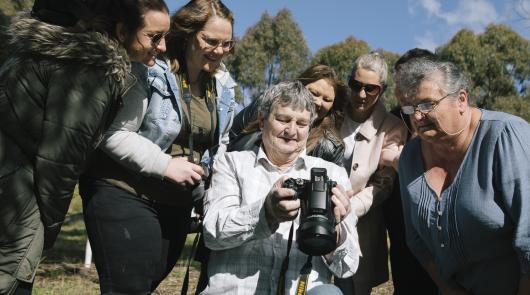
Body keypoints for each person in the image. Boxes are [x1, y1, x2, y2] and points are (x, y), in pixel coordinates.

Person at [79, 0, 238, 293]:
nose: (219, 51)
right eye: (211, 41)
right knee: (129, 287)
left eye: (226, 44)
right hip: (125, 192)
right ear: (188, 34)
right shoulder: (150, 70)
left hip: (176, 204)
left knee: (147, 283)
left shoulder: (224, 86)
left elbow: (223, 143)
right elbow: (113, 133)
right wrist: (165, 165)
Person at [0, 0, 136, 293]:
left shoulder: (30, 52)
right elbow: (59, 162)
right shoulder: (86, 67)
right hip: (19, 206)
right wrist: (48, 229)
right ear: (118, 28)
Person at [202, 81, 360, 294]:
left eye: (302, 123)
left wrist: (335, 229)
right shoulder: (232, 163)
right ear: (261, 121)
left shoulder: (333, 174)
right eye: (282, 119)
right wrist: (266, 212)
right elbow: (212, 234)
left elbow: (347, 268)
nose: (291, 130)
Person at [396, 58, 530, 294]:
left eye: (427, 104)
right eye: (410, 108)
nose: (417, 117)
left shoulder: (506, 136)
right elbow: (416, 240)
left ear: (461, 100)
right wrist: (448, 289)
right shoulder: (410, 156)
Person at [335, 52, 407, 295]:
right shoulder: (332, 116)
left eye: (371, 89)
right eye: (356, 85)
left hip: (359, 227)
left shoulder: (392, 127)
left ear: (382, 89)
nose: (362, 95)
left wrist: (350, 209)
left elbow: (383, 185)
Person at [381, 48, 438, 294]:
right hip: (400, 214)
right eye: (399, 80)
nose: (402, 88)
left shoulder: (444, 114)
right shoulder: (392, 118)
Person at [229, 64, 348, 165]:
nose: (318, 102)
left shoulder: (331, 147)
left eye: (327, 100)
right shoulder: (265, 104)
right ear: (299, 86)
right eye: (313, 93)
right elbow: (230, 136)